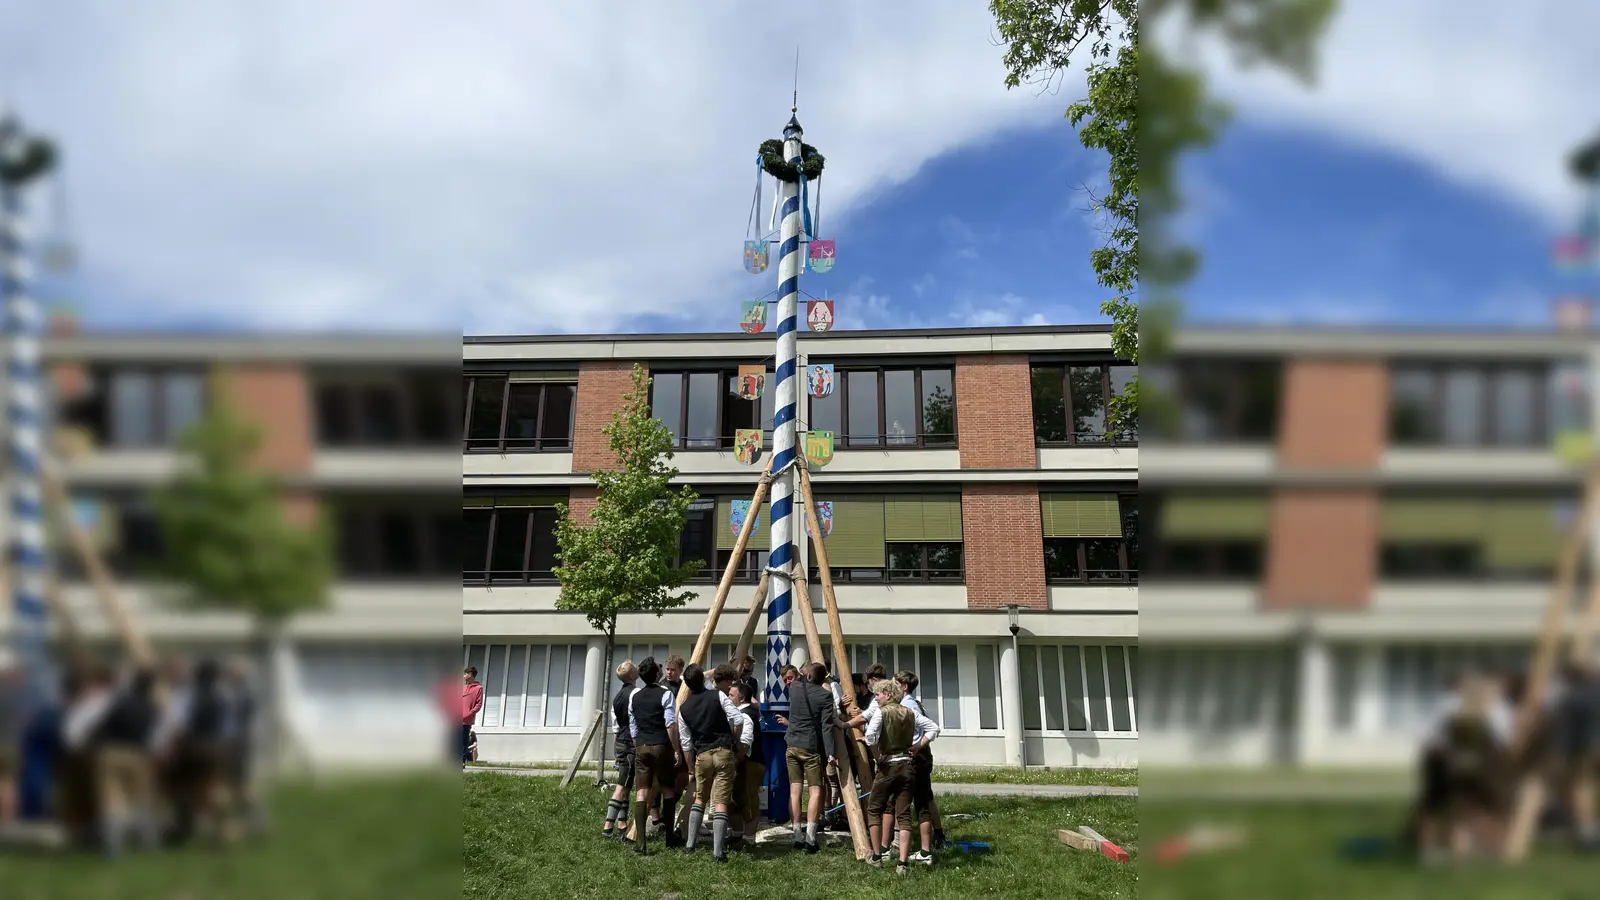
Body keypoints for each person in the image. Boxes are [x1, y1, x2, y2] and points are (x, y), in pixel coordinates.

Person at [862, 678, 939, 875]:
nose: (876, 698)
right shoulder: (910, 712)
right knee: (903, 814)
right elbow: (934, 728)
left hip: (889, 766)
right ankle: (902, 863)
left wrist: (877, 756)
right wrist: (917, 746)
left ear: (888, 694)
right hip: (908, 766)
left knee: (874, 808)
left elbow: (870, 737)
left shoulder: (881, 712)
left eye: (878, 694)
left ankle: (878, 856)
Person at [677, 664, 752, 862]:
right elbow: (738, 719)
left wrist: (691, 767)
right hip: (723, 751)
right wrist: (735, 741)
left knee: (700, 799)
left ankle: (690, 845)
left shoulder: (683, 709)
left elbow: (685, 744)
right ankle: (718, 852)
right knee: (721, 802)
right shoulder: (717, 695)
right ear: (702, 680)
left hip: (701, 755)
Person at [92, 666, 163, 857]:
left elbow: (101, 726)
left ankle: (113, 846)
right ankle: (149, 843)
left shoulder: (121, 703)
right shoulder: (152, 707)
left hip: (113, 751)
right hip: (139, 753)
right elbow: (155, 734)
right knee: (143, 800)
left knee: (112, 798)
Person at [626, 657, 684, 855]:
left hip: (641, 745)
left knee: (642, 791)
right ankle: (669, 837)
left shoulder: (635, 696)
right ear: (657, 674)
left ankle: (641, 843)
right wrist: (676, 748)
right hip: (661, 745)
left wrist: (638, 745)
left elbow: (633, 728)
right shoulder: (666, 693)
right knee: (667, 789)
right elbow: (670, 723)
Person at [781, 662, 835, 853]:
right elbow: (827, 727)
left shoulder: (794, 687)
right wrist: (830, 753)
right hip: (811, 748)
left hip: (792, 745)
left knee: (795, 791)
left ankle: (796, 835)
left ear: (808, 676)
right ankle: (810, 839)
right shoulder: (826, 696)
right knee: (816, 792)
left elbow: (800, 676)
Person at [896, 669, 946, 852]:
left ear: (904, 686)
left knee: (921, 801)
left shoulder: (909, 705)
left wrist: (918, 746)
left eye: (895, 684)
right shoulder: (912, 702)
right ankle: (938, 833)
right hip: (922, 754)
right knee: (927, 797)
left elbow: (928, 729)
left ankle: (930, 843)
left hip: (918, 757)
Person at [603, 660, 639, 840]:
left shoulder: (617, 697)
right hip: (630, 743)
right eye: (635, 668)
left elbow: (615, 725)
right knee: (622, 785)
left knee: (626, 783)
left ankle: (622, 823)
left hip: (620, 741)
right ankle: (607, 827)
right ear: (632, 676)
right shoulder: (636, 694)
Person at [728, 682, 765, 843]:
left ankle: (748, 839)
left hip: (750, 763)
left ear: (741, 698)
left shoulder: (746, 715)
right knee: (735, 800)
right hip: (742, 764)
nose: (729, 698)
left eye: (731, 695)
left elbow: (745, 741)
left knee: (749, 801)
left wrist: (736, 761)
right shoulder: (740, 713)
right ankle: (737, 834)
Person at [0, 662, 29, 828]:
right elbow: (25, 721)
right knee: (9, 784)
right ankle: (8, 820)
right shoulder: (18, 698)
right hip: (11, 745)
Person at [461, 666, 484, 766]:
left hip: (466, 720)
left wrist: (468, 714)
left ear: (470, 675)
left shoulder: (479, 688)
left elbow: (478, 705)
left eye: (465, 674)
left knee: (463, 741)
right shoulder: (463, 688)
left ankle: (461, 761)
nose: (463, 676)